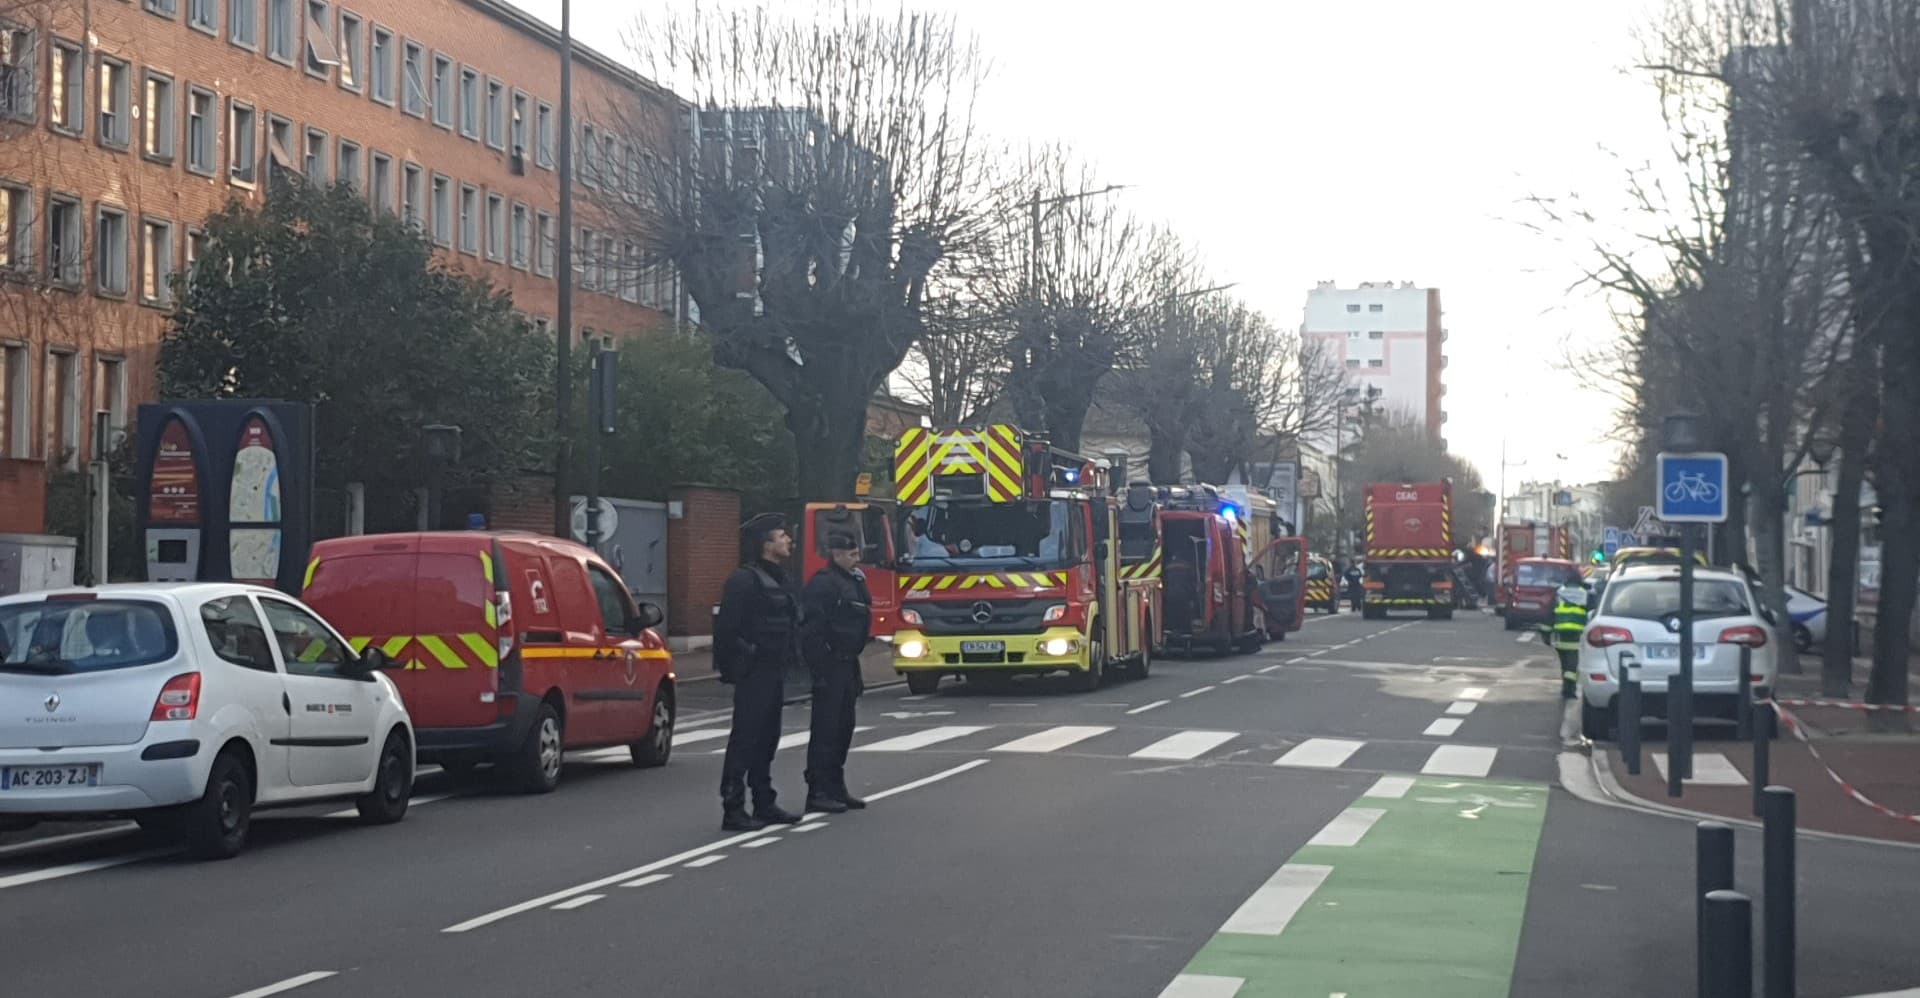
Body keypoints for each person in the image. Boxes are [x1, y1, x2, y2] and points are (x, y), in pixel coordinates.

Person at [712, 512, 805, 831]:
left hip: (775, 670)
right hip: (754, 672)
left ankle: (764, 801)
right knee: (746, 739)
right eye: (782, 536)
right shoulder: (744, 581)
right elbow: (727, 631)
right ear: (766, 544)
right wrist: (739, 666)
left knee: (768, 739)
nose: (789, 541)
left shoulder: (780, 578)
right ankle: (733, 806)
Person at [800, 532, 872, 814]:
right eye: (852, 555)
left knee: (844, 726)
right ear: (836, 554)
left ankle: (835, 785)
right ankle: (817, 789)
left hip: (848, 662)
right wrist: (820, 667)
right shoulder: (823, 584)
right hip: (830, 664)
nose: (857, 559)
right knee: (826, 729)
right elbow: (812, 630)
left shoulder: (853, 581)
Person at [1550, 582, 1590, 699]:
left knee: (1565, 665)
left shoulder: (1559, 594)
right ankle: (1569, 690)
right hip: (1576, 637)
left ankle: (1566, 688)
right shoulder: (1584, 595)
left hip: (1560, 636)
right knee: (1572, 667)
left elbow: (1550, 615)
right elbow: (1591, 613)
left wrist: (1546, 634)